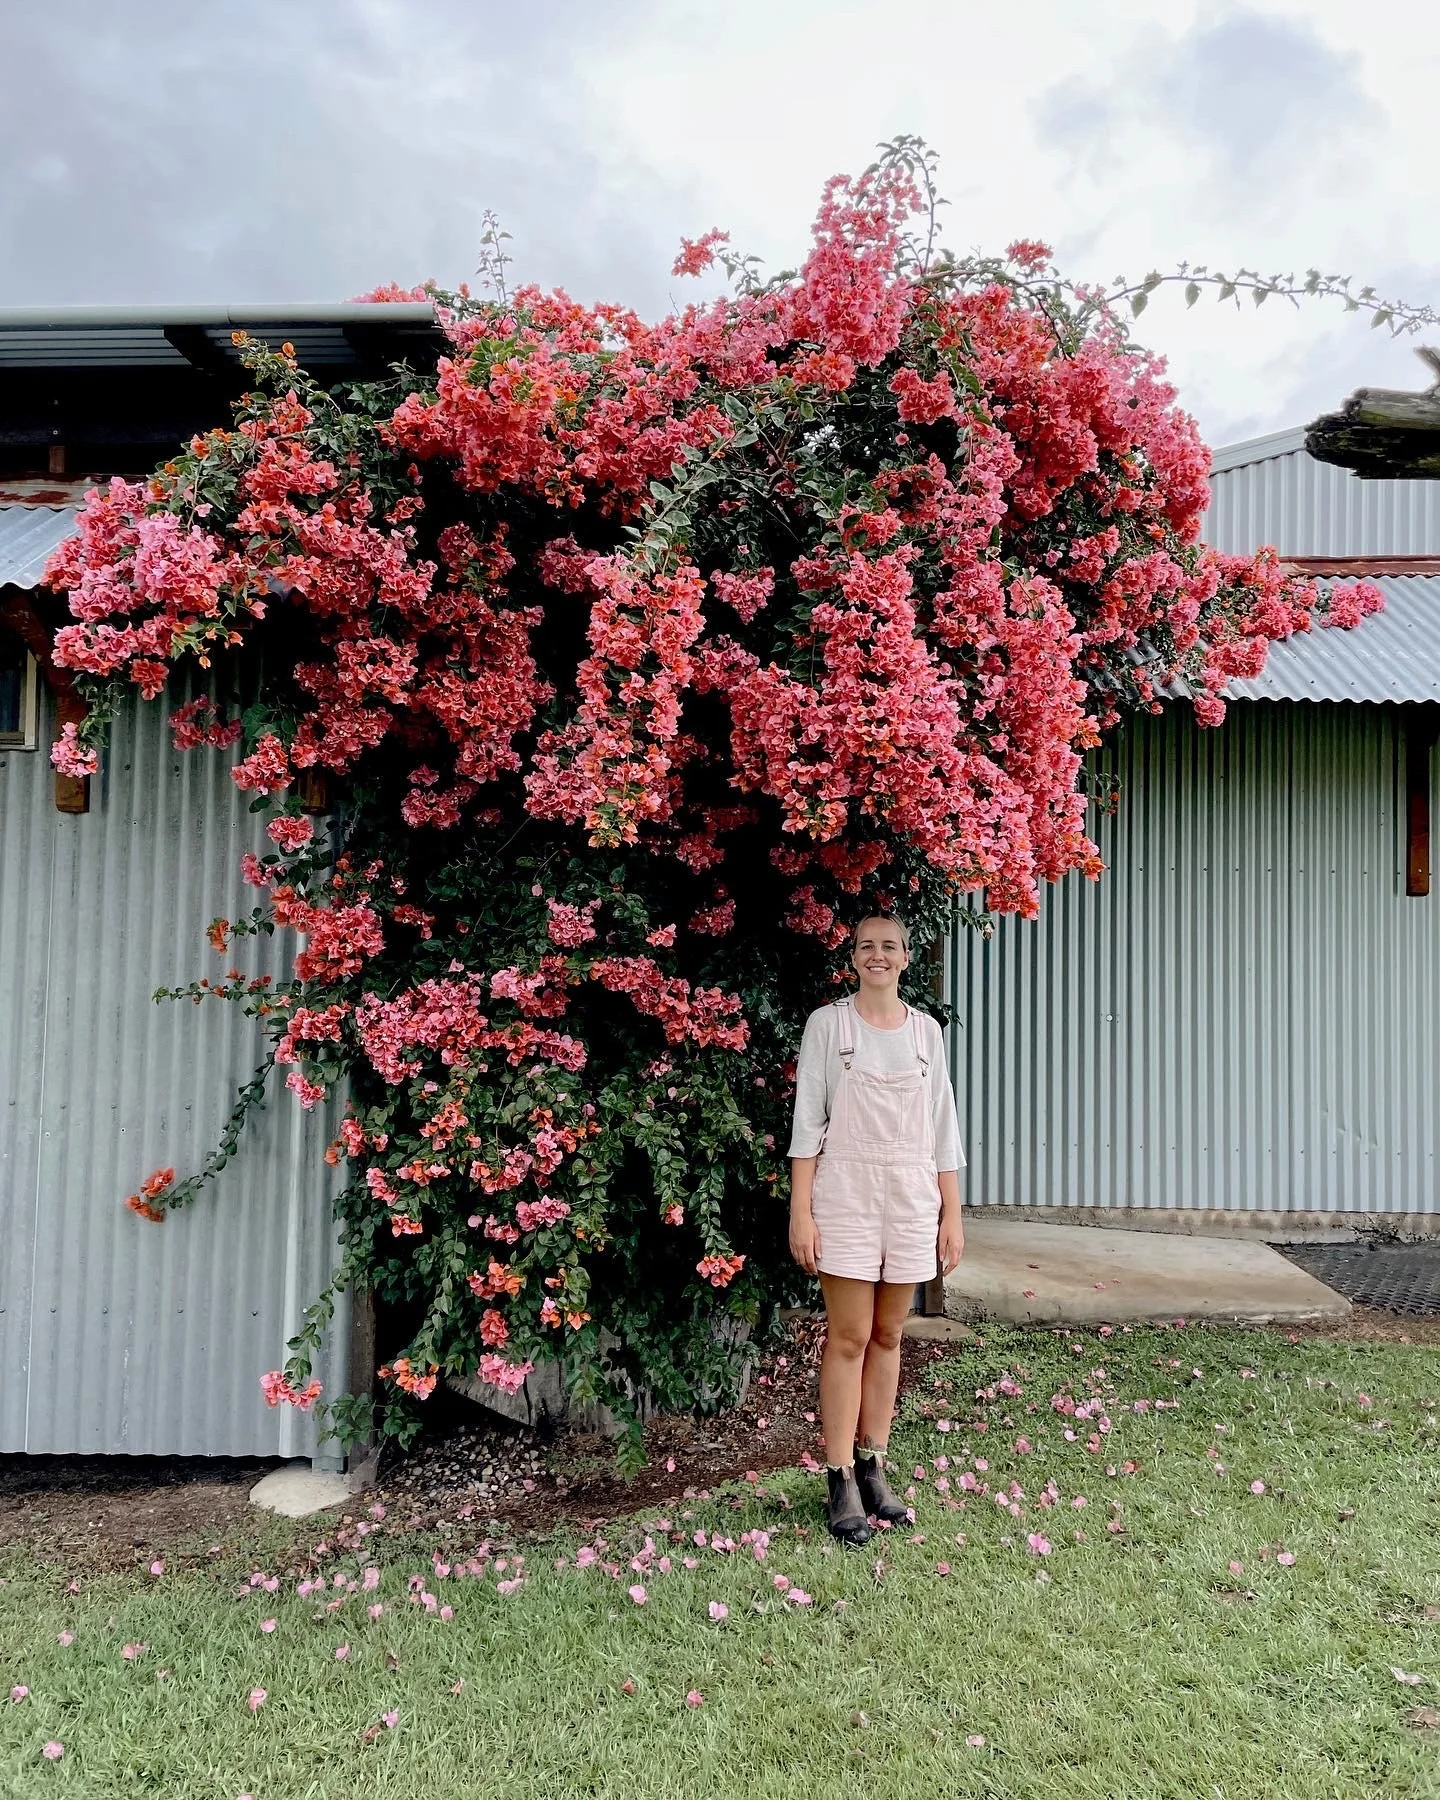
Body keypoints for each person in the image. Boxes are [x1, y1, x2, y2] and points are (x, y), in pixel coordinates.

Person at [787, 914, 965, 1544]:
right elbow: (808, 1125)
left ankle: (873, 1465)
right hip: (847, 1196)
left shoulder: (926, 1034)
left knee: (889, 1334)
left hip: (912, 1196)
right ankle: (838, 1478)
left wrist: (952, 1212)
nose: (878, 955)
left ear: (907, 958)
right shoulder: (829, 1027)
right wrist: (800, 1212)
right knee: (849, 1336)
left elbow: (943, 1129)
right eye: (868, 946)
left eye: (890, 946)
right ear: (854, 957)